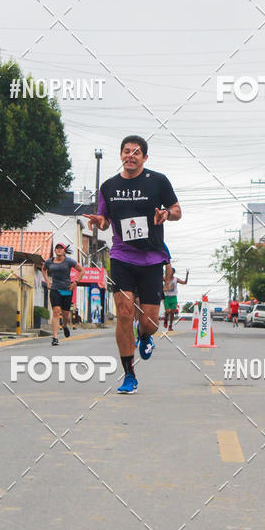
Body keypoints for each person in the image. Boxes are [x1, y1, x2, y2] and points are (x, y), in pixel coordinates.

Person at [84, 135, 181, 394]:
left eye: (136, 152)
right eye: (126, 151)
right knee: (125, 312)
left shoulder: (158, 181)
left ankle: (145, 334)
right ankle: (129, 375)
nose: (130, 155)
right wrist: (100, 221)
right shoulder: (109, 187)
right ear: (121, 155)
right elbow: (105, 220)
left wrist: (166, 213)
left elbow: (177, 210)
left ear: (144, 157)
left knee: (150, 321)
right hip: (122, 256)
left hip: (151, 258)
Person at [42, 243, 84, 345]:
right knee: (56, 311)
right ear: (55, 251)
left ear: (64, 251)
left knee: (65, 315)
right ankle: (55, 337)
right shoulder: (49, 261)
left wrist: (75, 282)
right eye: (57, 248)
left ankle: (64, 325)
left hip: (67, 289)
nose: (59, 250)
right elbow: (43, 269)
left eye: (61, 248)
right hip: (55, 289)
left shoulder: (69, 261)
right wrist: (47, 281)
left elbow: (82, 271)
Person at [163, 266, 188, 331]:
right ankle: (165, 319)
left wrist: (187, 275)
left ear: (173, 272)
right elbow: (158, 278)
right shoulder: (165, 278)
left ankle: (170, 326)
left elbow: (185, 282)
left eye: (171, 271)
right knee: (168, 311)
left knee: (172, 312)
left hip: (174, 297)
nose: (169, 272)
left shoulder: (176, 279)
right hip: (167, 297)